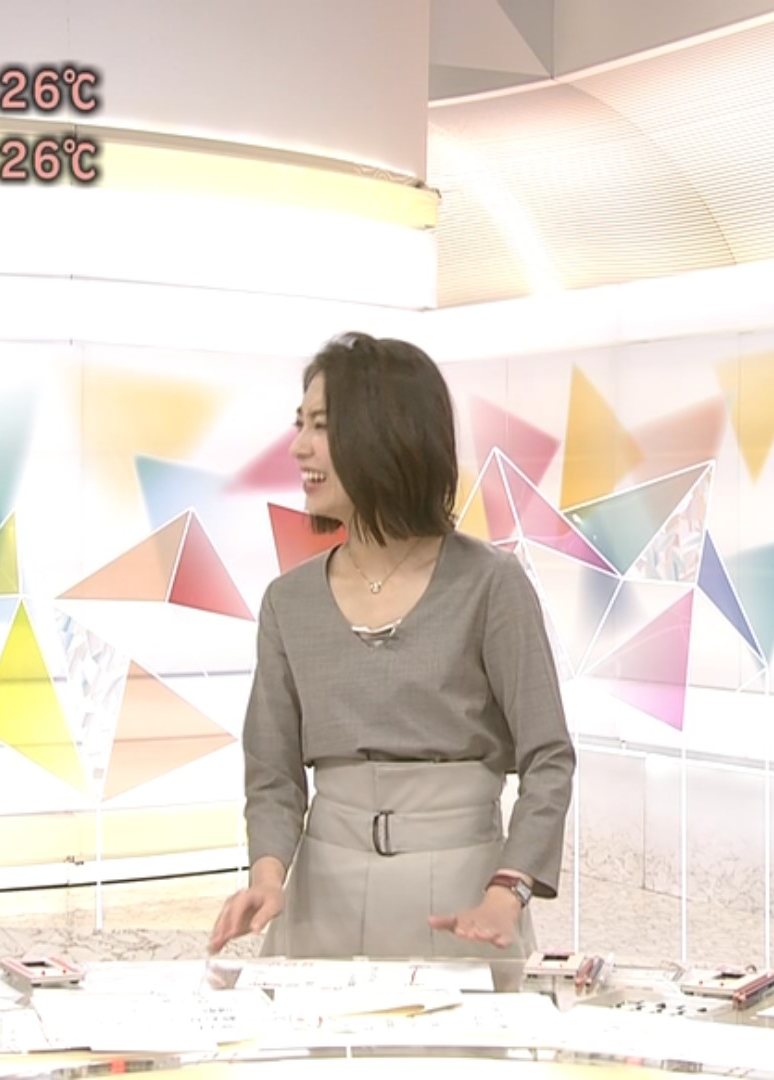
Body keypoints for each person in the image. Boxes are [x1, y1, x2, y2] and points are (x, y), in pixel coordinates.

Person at [208, 332, 576, 959]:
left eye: (322, 425)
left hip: (463, 895)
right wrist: (267, 878)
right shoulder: (287, 602)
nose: (298, 447)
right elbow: (272, 773)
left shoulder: (492, 585)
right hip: (321, 894)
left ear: (387, 432)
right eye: (300, 424)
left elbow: (549, 758)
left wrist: (508, 890)